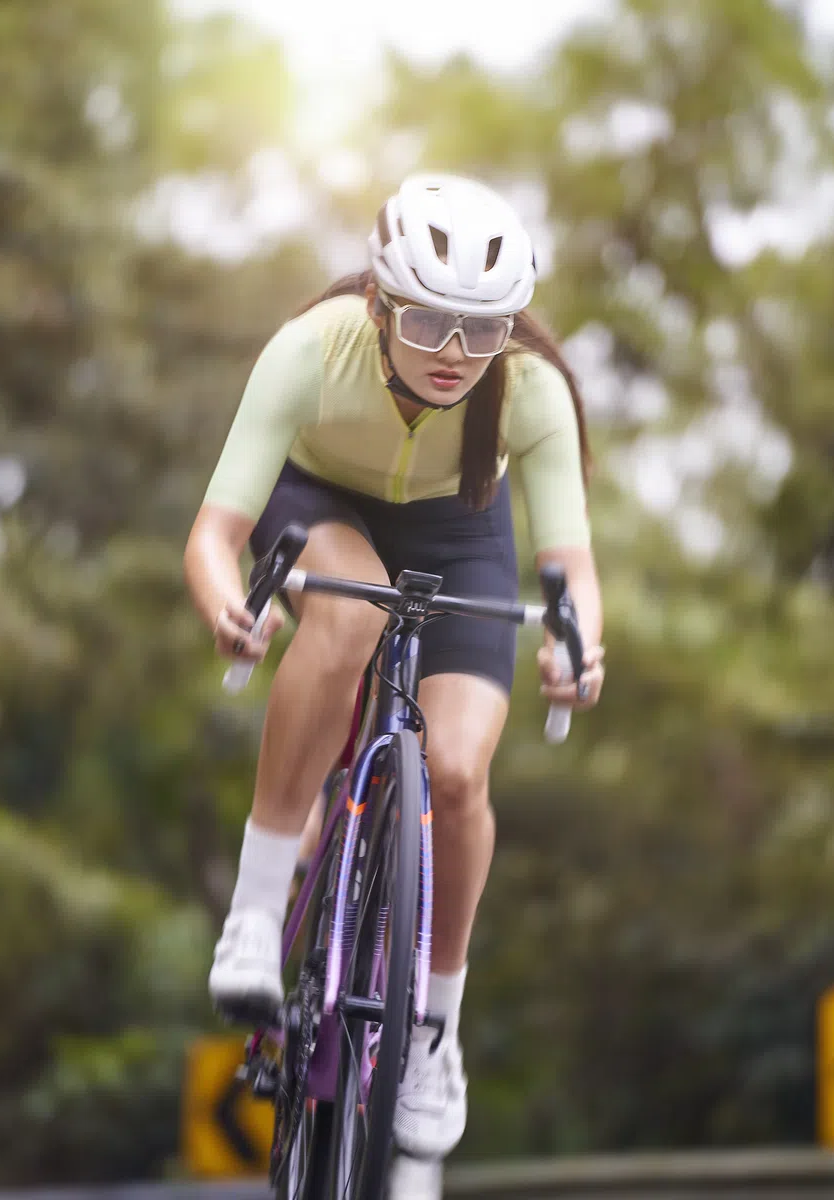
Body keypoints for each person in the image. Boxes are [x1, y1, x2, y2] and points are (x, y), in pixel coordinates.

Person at [182, 173, 606, 1159]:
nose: (455, 355)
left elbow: (571, 567)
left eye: (483, 327)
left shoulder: (530, 389)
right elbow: (215, 532)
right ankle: (254, 915)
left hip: (461, 532)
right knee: (347, 619)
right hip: (320, 503)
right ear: (378, 304)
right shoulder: (308, 351)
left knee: (457, 773)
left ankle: (434, 1033)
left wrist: (577, 646)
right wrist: (225, 607)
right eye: (425, 323)